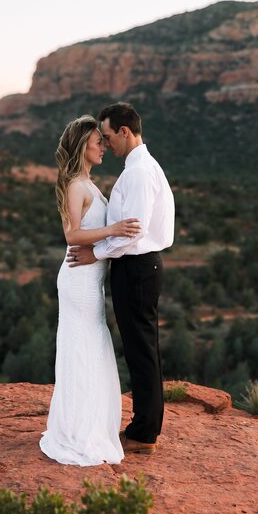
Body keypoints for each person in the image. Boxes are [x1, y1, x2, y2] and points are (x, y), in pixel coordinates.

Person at [67, 102, 175, 455]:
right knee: (142, 347)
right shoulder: (141, 168)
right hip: (139, 268)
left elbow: (133, 231)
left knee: (141, 349)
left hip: (137, 267)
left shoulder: (139, 174)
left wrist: (94, 253)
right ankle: (146, 426)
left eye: (109, 135)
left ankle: (144, 433)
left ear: (125, 132)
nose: (106, 142)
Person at [39, 115, 141, 466]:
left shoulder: (88, 183)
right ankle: (78, 431)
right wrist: (113, 228)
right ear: (84, 146)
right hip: (78, 279)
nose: (103, 146)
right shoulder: (74, 185)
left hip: (90, 278)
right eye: (98, 141)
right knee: (83, 346)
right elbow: (71, 235)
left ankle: (93, 424)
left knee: (93, 345)